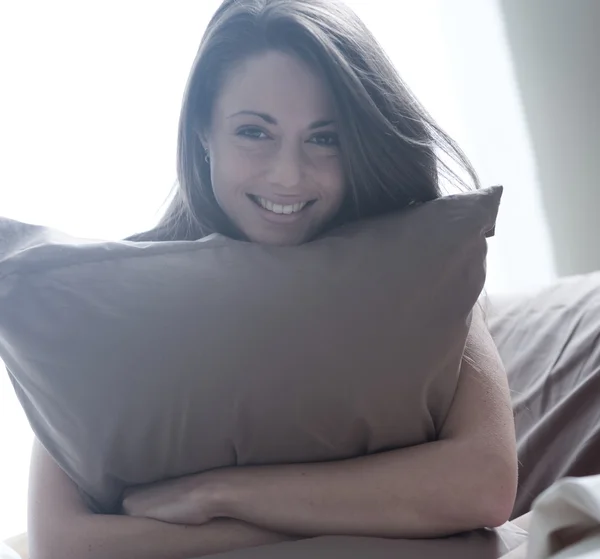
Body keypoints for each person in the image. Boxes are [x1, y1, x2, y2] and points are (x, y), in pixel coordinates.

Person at [28, 1, 518, 558]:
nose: (288, 174)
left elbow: (483, 484)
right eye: (254, 132)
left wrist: (217, 495)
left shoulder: (417, 274)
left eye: (324, 138)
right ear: (204, 133)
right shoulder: (117, 295)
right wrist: (374, 514)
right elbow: (61, 542)